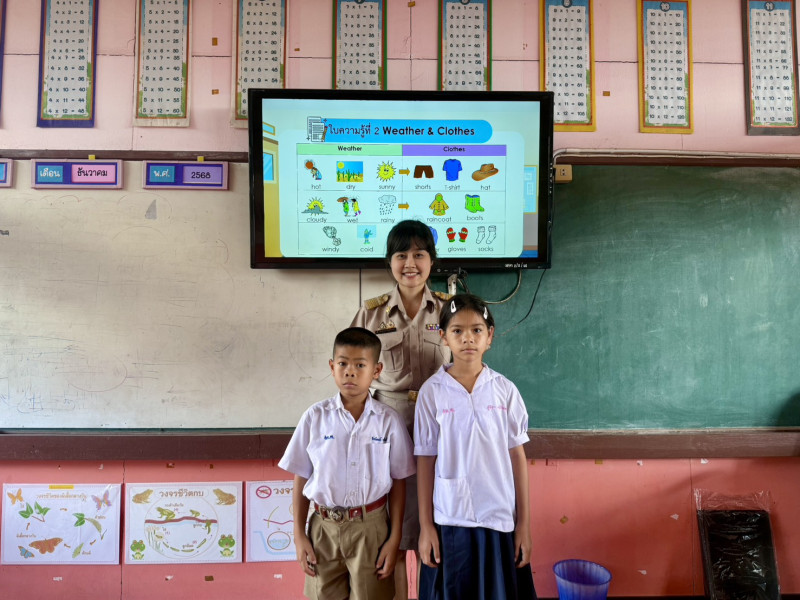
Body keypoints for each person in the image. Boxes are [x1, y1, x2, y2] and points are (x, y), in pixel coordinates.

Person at [350, 219, 451, 599]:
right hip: (384, 433)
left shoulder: (448, 310)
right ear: (389, 262)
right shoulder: (371, 315)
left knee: (432, 529)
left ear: (432, 260)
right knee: (387, 533)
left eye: (419, 254)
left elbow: (466, 368)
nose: (410, 263)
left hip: (439, 432)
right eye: (401, 255)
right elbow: (353, 375)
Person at [279, 327, 416, 600]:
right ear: (332, 367)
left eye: (360, 365)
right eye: (343, 364)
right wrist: (299, 535)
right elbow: (301, 477)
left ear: (377, 370)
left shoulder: (388, 421)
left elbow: (399, 481)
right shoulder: (315, 417)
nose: (350, 372)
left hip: (372, 528)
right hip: (323, 528)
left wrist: (394, 539)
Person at [415, 294, 537, 600]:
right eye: (457, 330)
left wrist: (523, 524)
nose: (467, 338)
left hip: (499, 518)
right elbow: (425, 460)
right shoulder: (432, 392)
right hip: (450, 519)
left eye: (477, 330)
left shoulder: (504, 390)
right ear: (443, 337)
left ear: (489, 336)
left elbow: (517, 457)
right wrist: (426, 526)